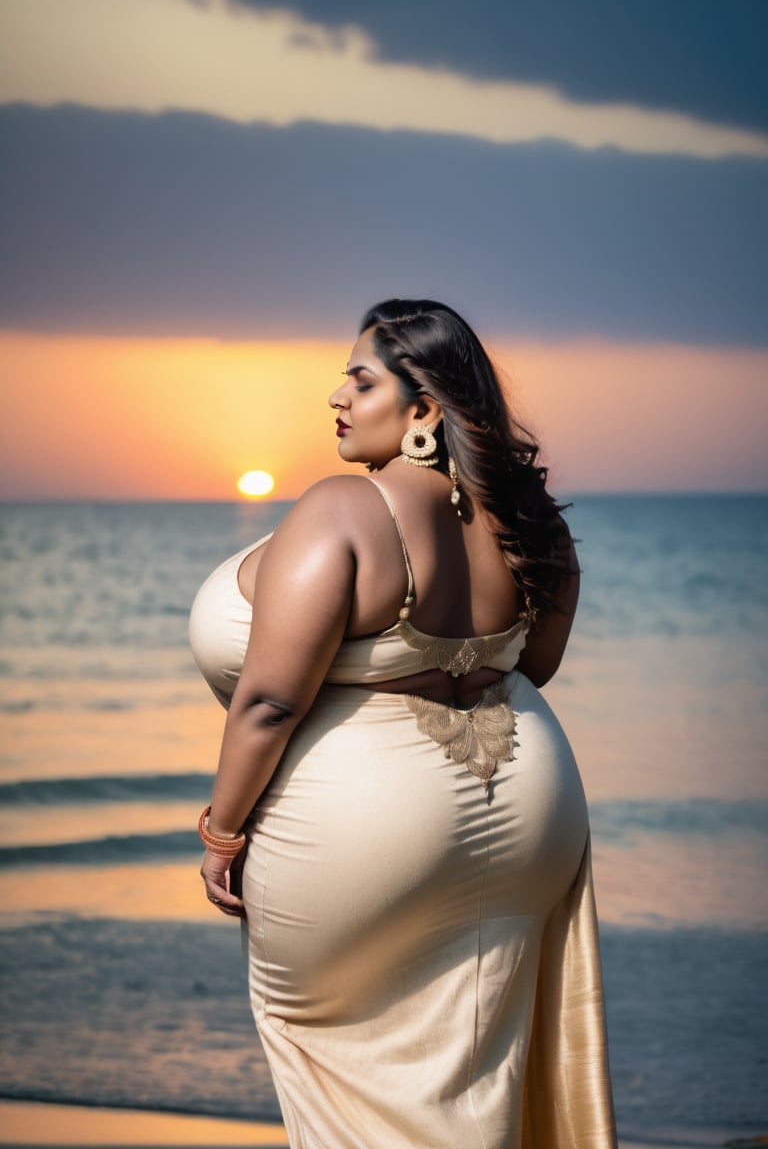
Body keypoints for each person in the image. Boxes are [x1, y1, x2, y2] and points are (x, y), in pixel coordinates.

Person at [189, 299, 617, 1148]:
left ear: (423, 409)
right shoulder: (532, 523)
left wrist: (223, 833)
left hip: (372, 835)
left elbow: (270, 702)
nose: (336, 397)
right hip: (530, 810)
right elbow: (533, 667)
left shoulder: (347, 509)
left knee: (348, 1083)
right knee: (476, 1062)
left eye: (360, 378)